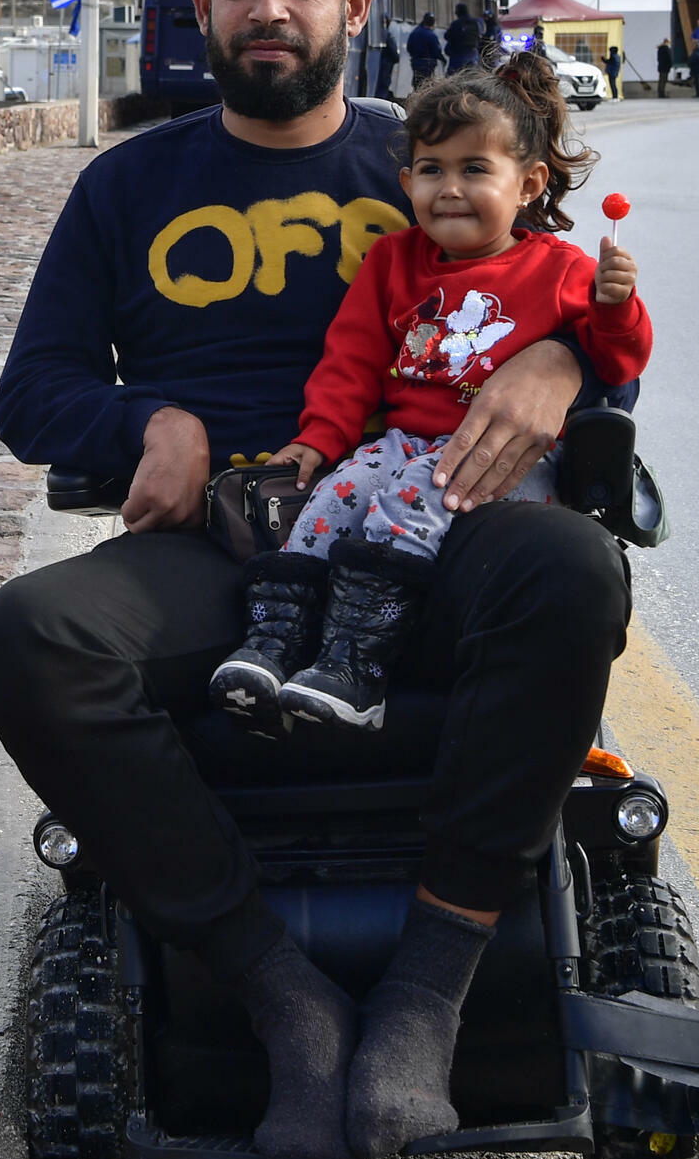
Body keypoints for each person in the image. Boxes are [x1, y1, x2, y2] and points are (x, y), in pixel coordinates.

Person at [0, 0, 631, 1159]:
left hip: (435, 519)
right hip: (234, 550)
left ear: (353, 1)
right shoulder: (128, 186)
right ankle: (276, 992)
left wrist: (567, 367)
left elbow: (581, 295)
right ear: (203, 5)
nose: (272, 7)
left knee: (574, 568)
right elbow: (31, 392)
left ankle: (428, 991)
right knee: (27, 638)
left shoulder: (430, 147)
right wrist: (144, 425)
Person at [210, 54, 648, 732]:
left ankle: (356, 672)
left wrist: (617, 307)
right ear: (407, 180)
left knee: (405, 503)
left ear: (529, 183)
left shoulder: (563, 268)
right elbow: (350, 362)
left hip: (506, 462)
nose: (450, 187)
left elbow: (617, 363)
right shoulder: (393, 261)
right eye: (433, 169)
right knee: (331, 501)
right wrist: (319, 440)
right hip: (402, 444)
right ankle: (273, 649)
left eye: (475, 169)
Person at [442, 3, 481, 75]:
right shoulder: (475, 22)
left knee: (453, 78)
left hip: (458, 55)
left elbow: (447, 36)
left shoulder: (456, 23)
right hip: (473, 54)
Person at [407, 11, 443, 87]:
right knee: (426, 84)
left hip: (416, 62)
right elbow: (437, 51)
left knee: (417, 83)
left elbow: (409, 47)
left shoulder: (415, 32)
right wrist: (442, 59)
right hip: (428, 64)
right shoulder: (431, 35)